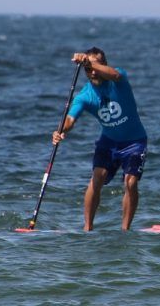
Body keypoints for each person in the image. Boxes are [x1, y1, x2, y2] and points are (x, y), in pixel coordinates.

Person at [51, 47, 148, 231]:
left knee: (131, 182)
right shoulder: (85, 96)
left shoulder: (118, 78)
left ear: (104, 64)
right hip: (108, 142)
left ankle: (125, 230)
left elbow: (114, 75)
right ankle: (87, 229)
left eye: (97, 66)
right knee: (97, 178)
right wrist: (60, 130)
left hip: (135, 141)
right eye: (88, 69)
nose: (93, 71)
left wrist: (89, 62)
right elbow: (70, 119)